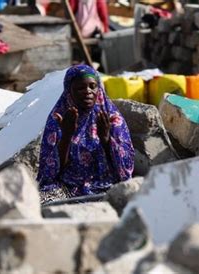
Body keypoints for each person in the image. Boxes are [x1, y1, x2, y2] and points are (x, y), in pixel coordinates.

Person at [37, 65, 134, 201]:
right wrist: (66, 136)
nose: (87, 91)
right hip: (69, 188)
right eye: (80, 88)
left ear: (99, 89)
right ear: (69, 91)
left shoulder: (111, 118)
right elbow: (47, 174)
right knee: (44, 199)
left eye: (92, 86)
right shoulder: (59, 118)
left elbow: (126, 170)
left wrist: (106, 140)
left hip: (106, 186)